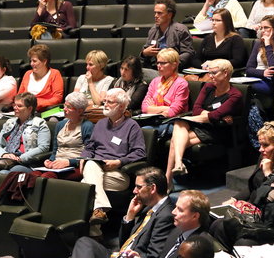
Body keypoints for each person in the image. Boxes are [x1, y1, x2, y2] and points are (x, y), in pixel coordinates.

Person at [165, 59, 242, 190]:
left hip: (218, 130)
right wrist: (208, 115)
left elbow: (215, 116)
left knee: (175, 140)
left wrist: (209, 115)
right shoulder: (208, 87)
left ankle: (168, 179)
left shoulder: (235, 95)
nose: (210, 76)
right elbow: (196, 109)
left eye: (214, 73)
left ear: (226, 73)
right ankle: (177, 164)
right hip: (202, 125)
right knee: (179, 123)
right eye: (209, 72)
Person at [80, 88, 146, 236]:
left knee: (86, 184)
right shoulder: (100, 124)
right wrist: (85, 156)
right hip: (97, 169)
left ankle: (95, 233)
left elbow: (140, 153)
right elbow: (90, 147)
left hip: (118, 174)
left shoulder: (132, 126)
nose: (105, 104)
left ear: (121, 107)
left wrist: (119, 162)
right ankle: (98, 219)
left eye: (110, 102)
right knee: (90, 166)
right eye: (105, 101)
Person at [71, 167, 175, 258]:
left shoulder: (166, 216)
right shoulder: (148, 208)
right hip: (120, 254)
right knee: (85, 242)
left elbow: (154, 255)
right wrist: (130, 216)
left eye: (138, 187)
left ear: (152, 188)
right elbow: (123, 244)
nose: (134, 191)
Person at [222, 121, 274, 205]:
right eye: (260, 145)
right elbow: (253, 186)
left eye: (265, 145)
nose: (260, 149)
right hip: (252, 204)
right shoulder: (264, 156)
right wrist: (234, 199)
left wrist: (268, 173)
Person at [0, 92, 51, 174]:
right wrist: (4, 154)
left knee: (3, 173)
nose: (15, 108)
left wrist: (20, 158)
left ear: (30, 109)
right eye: (14, 105)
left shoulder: (39, 123)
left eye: (19, 106)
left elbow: (43, 147)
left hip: (26, 163)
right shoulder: (10, 122)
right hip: (6, 160)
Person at [31, 92, 93, 180]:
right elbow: (55, 150)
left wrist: (68, 162)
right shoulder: (60, 124)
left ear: (79, 111)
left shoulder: (87, 126)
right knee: (32, 175)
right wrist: (50, 161)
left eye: (69, 107)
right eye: (65, 105)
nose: (64, 109)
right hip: (57, 164)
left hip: (74, 166)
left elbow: (89, 154)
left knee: (47, 177)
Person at [141, 48, 189, 137]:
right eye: (158, 62)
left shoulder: (181, 83)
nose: (159, 66)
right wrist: (165, 108)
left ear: (174, 65)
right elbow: (144, 108)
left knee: (141, 131)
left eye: (163, 63)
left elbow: (173, 112)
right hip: (153, 120)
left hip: (172, 123)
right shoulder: (155, 81)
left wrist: (153, 108)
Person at [141, 0, 195, 71]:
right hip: (155, 68)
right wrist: (144, 53)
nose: (156, 16)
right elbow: (145, 51)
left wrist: (171, 64)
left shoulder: (180, 30)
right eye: (155, 13)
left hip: (175, 70)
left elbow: (187, 53)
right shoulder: (153, 30)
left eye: (159, 13)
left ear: (169, 15)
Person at [245, 15, 274, 97]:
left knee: (246, 88)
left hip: (271, 83)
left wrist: (267, 45)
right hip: (255, 78)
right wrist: (262, 72)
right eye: (261, 28)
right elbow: (248, 69)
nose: (263, 31)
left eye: (266, 27)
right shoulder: (258, 44)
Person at [158, 190, 212, 258]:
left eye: (180, 210)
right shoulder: (176, 231)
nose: (173, 212)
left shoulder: (200, 247)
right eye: (175, 207)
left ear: (195, 216)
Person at [18, 44, 63, 112]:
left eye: (34, 61)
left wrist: (36, 104)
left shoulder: (55, 74)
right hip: (26, 110)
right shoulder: (27, 74)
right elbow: (19, 96)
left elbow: (57, 98)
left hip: (46, 111)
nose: (31, 64)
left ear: (44, 61)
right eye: (31, 61)